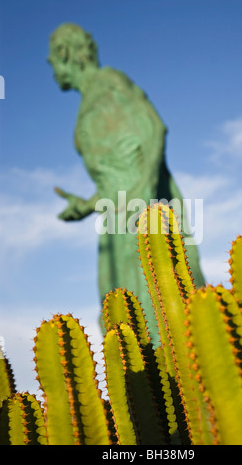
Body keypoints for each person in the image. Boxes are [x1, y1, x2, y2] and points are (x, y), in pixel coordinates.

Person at [48, 23, 205, 345]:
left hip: (142, 208)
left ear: (64, 53)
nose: (50, 66)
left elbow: (155, 129)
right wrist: (86, 205)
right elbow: (112, 176)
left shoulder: (109, 81)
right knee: (121, 311)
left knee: (160, 299)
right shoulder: (87, 99)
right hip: (115, 214)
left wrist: (145, 191)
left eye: (52, 58)